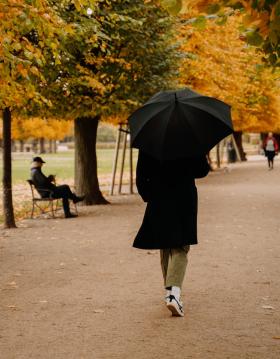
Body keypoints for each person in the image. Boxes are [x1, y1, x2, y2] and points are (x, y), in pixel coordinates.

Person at [134, 151, 210, 317]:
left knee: (165, 243)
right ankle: (173, 293)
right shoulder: (190, 139)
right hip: (184, 196)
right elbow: (202, 170)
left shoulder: (150, 140)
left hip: (158, 196)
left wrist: (148, 195)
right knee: (181, 245)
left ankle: (170, 292)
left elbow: (140, 176)